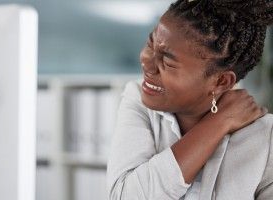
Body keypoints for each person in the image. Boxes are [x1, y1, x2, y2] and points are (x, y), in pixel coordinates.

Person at [107, 0, 273, 199]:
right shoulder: (138, 98)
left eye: (167, 61)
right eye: (151, 43)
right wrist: (219, 122)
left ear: (221, 81)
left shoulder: (266, 139)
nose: (146, 62)